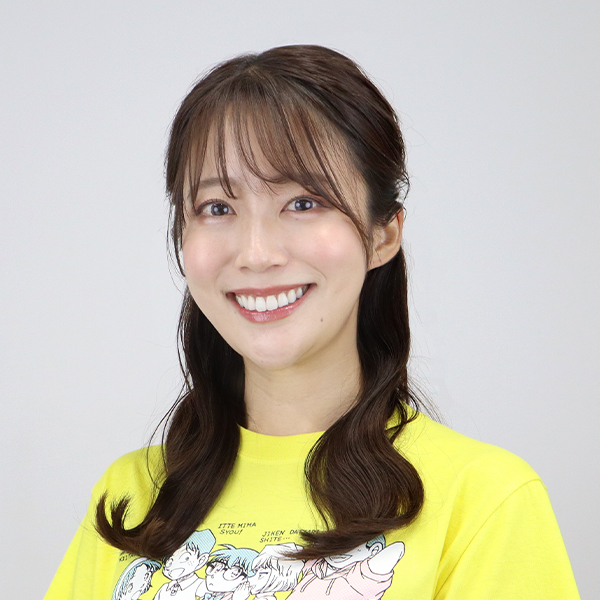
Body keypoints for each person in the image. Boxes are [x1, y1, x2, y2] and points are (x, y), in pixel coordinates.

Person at [44, 45, 580, 599]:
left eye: (303, 203)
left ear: (383, 234)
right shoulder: (135, 498)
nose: (256, 254)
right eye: (217, 207)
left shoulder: (484, 500)